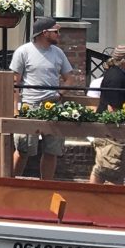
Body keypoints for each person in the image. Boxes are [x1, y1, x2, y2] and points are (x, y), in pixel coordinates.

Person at [8, 17, 73, 180]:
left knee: (52, 150)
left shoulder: (58, 53)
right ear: (45, 33)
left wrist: (59, 95)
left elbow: (69, 79)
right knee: (23, 149)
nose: (59, 34)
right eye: (56, 31)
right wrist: (15, 109)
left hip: (53, 106)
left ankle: (47, 186)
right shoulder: (23, 51)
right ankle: (11, 183)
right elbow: (14, 83)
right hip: (29, 105)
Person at [89, 44, 125, 184]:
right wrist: (118, 134)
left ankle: (112, 195)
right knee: (105, 167)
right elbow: (112, 108)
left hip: (120, 128)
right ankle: (91, 194)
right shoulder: (115, 77)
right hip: (111, 130)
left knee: (118, 167)